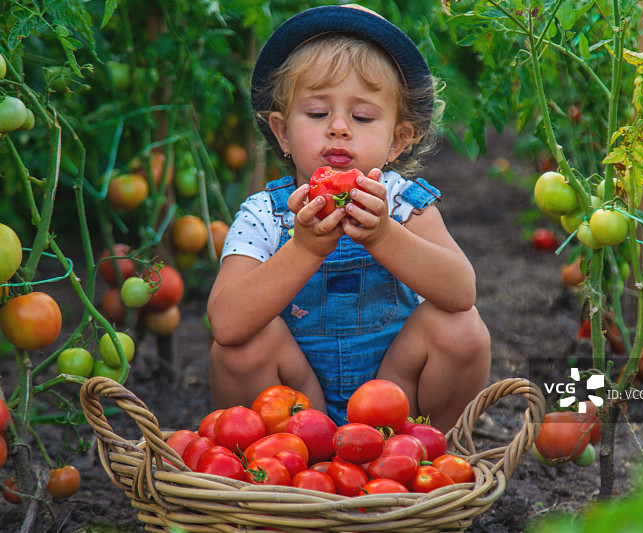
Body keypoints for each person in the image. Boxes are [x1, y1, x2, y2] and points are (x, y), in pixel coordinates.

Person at [207, 4, 490, 433]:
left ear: (398, 140)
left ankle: (432, 455)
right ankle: (279, 474)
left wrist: (384, 236)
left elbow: (460, 291)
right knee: (240, 350)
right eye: (317, 113)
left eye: (362, 117)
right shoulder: (264, 215)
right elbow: (225, 324)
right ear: (283, 132)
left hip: (395, 404)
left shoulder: (401, 203)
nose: (339, 127)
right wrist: (302, 249)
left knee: (461, 331)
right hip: (296, 417)